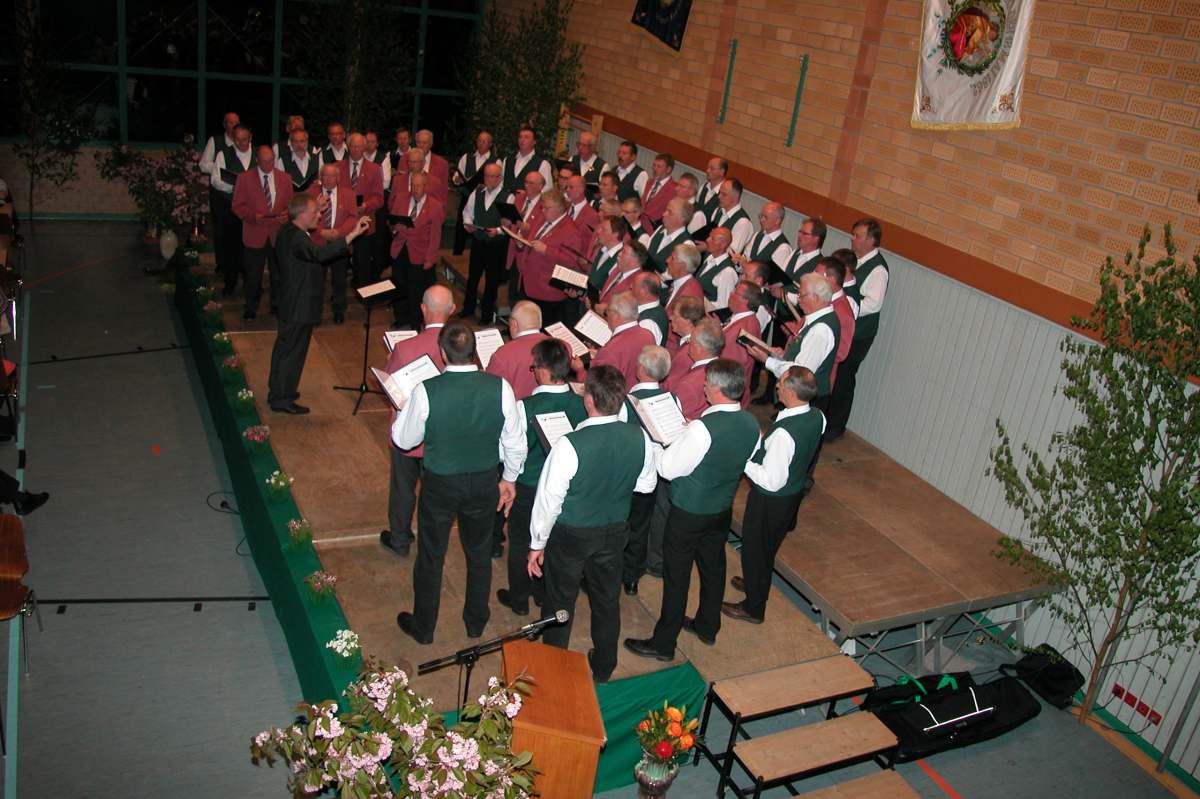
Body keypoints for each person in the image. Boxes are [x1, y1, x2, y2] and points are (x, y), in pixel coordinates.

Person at [393, 323, 527, 644]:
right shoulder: (500, 388)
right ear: (475, 352)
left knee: (431, 554)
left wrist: (405, 408)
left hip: (440, 483)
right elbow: (515, 442)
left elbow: (404, 439)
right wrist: (509, 478)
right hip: (483, 480)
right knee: (479, 553)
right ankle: (475, 622)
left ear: (442, 353)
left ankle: (424, 627)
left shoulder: (426, 390)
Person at [528, 365, 658, 682]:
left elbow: (548, 501)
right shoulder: (640, 437)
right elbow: (646, 485)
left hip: (571, 535)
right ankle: (604, 665)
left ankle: (554, 666)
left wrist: (537, 544)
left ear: (588, 400)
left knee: (559, 601)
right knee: (606, 600)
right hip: (614, 532)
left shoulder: (569, 444)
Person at [624, 358, 760, 659]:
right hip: (721, 509)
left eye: (707, 383)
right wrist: (689, 436)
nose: (704, 387)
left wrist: (659, 443)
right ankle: (707, 626)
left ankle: (664, 643)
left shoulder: (701, 429)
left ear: (719, 389)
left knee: (677, 577)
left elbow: (668, 469)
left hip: (688, 512)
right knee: (713, 568)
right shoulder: (751, 423)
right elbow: (742, 457)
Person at [725, 366, 824, 623]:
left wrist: (742, 459)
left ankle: (753, 607)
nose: (776, 386)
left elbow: (771, 481)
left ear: (791, 391)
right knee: (767, 546)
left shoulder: (783, 434)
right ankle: (754, 581)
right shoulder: (817, 416)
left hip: (770, 501)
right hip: (791, 496)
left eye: (781, 383)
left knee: (755, 549)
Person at [497, 339, 587, 617]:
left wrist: (508, 478)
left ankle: (519, 598)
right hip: (566, 489)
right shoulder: (582, 403)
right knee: (553, 542)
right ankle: (542, 593)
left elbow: (510, 449)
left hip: (530, 485)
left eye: (534, 367)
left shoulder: (525, 406)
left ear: (543, 370)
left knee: (521, 542)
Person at [268, 195, 370, 413]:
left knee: (284, 350)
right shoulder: (297, 239)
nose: (319, 216)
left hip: (290, 302)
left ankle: (277, 392)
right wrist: (352, 234)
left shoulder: (287, 230)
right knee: (292, 354)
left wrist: (316, 205)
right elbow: (320, 254)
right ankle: (283, 399)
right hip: (298, 305)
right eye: (315, 213)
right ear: (302, 215)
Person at [379, 285, 454, 558]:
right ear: (452, 310)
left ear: (423, 309)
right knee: (435, 493)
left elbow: (390, 390)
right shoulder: (460, 346)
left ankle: (399, 539)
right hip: (442, 436)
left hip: (408, 436)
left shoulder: (404, 348)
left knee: (403, 489)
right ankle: (433, 543)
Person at [620, 345, 677, 594]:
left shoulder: (626, 402)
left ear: (640, 369)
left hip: (631, 476)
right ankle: (632, 577)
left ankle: (618, 570)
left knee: (625, 525)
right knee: (643, 527)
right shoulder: (672, 399)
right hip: (658, 474)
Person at [825, 218, 889, 441]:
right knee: (834, 374)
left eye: (858, 235)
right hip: (846, 328)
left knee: (844, 377)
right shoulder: (856, 261)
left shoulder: (878, 269)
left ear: (871, 240)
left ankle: (836, 425)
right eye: (853, 234)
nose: (852, 239)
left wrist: (846, 306)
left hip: (859, 334)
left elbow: (873, 304)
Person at [748, 273, 840, 412]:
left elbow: (800, 374)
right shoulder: (817, 321)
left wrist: (767, 360)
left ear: (815, 297)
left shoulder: (820, 330)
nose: (798, 299)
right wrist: (782, 356)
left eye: (801, 295)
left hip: (808, 400)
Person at [232, 145, 294, 320]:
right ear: (257, 160)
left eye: (271, 161)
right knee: (253, 275)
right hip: (254, 232)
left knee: (278, 274)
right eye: (264, 161)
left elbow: (292, 204)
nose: (268, 165)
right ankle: (251, 306)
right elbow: (237, 205)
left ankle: (277, 305)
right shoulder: (244, 178)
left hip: (278, 233)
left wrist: (287, 214)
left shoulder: (285, 178)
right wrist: (252, 216)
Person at [389, 172, 445, 330]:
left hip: (420, 252)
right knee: (399, 285)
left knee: (416, 290)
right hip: (400, 248)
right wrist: (394, 228)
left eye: (419, 186)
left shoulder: (435, 206)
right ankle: (400, 317)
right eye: (413, 185)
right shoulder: (401, 199)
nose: (415, 189)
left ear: (425, 187)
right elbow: (392, 222)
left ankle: (415, 322)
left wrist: (430, 258)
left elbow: (435, 235)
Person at [460, 163, 514, 324]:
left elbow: (509, 224)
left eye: (493, 176)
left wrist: (497, 230)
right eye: (486, 176)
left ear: (500, 178)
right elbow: (467, 212)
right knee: (473, 277)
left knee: (492, 281)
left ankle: (486, 315)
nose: (489, 179)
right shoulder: (477, 192)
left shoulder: (508, 197)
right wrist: (468, 223)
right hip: (478, 241)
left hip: (496, 245)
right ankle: (468, 308)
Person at [517, 190, 580, 326]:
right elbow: (532, 240)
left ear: (559, 208)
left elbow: (572, 261)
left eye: (547, 208)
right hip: (529, 282)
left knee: (543, 329)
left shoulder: (571, 230)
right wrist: (521, 243)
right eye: (542, 207)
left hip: (547, 291)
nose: (543, 211)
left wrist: (547, 250)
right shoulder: (542, 219)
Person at [306, 163, 358, 324]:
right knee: (316, 281)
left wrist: (339, 232)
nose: (328, 179)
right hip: (317, 242)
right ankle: (314, 312)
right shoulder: (310, 194)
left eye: (332, 176)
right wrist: (320, 231)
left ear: (338, 178)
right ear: (320, 177)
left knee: (340, 280)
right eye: (325, 176)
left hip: (339, 242)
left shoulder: (348, 194)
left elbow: (353, 217)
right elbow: (305, 217)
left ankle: (339, 310)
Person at [209, 123, 252, 296]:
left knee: (251, 247)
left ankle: (251, 281)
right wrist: (235, 187)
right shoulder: (223, 154)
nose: (241, 143)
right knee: (231, 246)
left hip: (252, 209)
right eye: (237, 140)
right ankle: (230, 282)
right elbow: (215, 180)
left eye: (244, 139)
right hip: (231, 207)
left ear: (250, 138)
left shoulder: (258, 154)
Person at [338, 133, 385, 287]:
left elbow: (379, 198)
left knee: (362, 264)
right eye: (352, 145)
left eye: (359, 146)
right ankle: (338, 294)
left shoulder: (375, 169)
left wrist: (365, 206)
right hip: (342, 223)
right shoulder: (337, 167)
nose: (355, 149)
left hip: (364, 223)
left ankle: (361, 293)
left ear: (364, 148)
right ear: (348, 147)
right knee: (339, 264)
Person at [201, 112, 240, 292]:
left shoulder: (244, 144)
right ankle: (222, 263)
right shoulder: (215, 141)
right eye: (230, 122)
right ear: (224, 125)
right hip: (220, 193)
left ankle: (236, 263)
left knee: (237, 230)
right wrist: (220, 167)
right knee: (221, 229)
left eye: (236, 122)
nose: (233, 125)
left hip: (238, 194)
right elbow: (203, 164)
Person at [586, 291, 656, 389]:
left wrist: (580, 370)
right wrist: (599, 355)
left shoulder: (610, 351)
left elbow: (597, 388)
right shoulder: (648, 335)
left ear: (615, 314)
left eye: (607, 311)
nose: (606, 314)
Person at [485, 300, 549, 401]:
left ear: (514, 324)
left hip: (516, 407)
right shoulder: (562, 346)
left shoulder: (503, 354)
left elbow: (490, 388)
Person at [667, 318, 724, 420]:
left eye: (691, 340)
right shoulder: (724, 369)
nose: (688, 342)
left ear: (699, 348)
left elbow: (671, 417)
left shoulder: (688, 385)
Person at [452, 131, 497, 254]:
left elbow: (499, 181)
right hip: (467, 196)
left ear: (490, 144)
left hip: (485, 199)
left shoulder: (495, 161)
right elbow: (457, 174)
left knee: (481, 228)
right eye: (479, 141)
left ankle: (480, 254)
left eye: (484, 141)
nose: (481, 143)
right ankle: (457, 255)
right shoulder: (467, 157)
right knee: (462, 226)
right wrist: (457, 180)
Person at [721, 281, 764, 406]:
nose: (731, 294)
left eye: (735, 292)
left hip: (728, 392)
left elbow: (732, 366)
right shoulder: (743, 319)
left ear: (745, 301)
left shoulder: (745, 328)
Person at [640, 197, 692, 273]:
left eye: (670, 212)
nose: (664, 214)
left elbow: (677, 274)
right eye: (666, 210)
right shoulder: (659, 229)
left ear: (681, 219)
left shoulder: (687, 244)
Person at [694, 227, 739, 313]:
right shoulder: (709, 258)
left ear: (723, 245)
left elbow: (723, 307)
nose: (707, 240)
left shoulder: (727, 272)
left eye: (712, 239)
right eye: (709, 236)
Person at [502, 126, 553, 194]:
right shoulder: (507, 160)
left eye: (526, 137)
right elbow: (501, 182)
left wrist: (529, 194)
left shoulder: (543, 164)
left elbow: (547, 189)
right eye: (520, 137)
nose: (522, 140)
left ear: (534, 142)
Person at [664, 242, 704, 322]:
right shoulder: (679, 283)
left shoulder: (689, 293)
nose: (667, 260)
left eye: (672, 258)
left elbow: (679, 324)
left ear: (682, 265)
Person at [711, 179, 754, 254]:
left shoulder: (743, 222)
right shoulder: (718, 211)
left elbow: (732, 253)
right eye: (719, 192)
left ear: (735, 197)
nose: (719, 196)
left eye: (724, 194)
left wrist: (709, 245)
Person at [640, 153, 678, 230]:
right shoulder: (649, 182)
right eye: (654, 165)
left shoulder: (674, 189)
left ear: (668, 170)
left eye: (659, 166)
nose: (654, 169)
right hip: (640, 223)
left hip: (655, 227)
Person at [414, 129, 450, 207]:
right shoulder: (405, 160)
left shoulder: (442, 164)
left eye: (424, 143)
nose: (421, 145)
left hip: (431, 208)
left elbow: (443, 193)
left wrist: (441, 211)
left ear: (431, 144)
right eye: (419, 142)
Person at [278, 128, 319, 193]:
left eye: (302, 141)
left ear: (307, 142)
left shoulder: (317, 159)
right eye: (295, 141)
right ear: (291, 143)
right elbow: (279, 183)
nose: (299, 144)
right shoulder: (282, 161)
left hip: (313, 197)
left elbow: (322, 180)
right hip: (292, 198)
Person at [633, 272, 669, 346]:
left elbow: (638, 350)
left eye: (634, 285)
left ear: (644, 291)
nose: (631, 287)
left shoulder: (648, 323)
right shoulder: (656, 310)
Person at [571, 131, 609, 196]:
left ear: (592, 147)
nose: (580, 147)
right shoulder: (572, 159)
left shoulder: (603, 166)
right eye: (579, 144)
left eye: (584, 145)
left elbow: (604, 192)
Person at [695, 157, 728, 224]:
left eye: (712, 169)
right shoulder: (704, 187)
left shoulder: (726, 194)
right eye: (708, 167)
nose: (707, 171)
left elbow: (720, 221)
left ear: (722, 172)